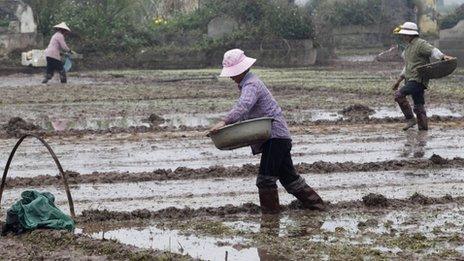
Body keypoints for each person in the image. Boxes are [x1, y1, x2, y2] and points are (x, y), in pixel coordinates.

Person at [210, 49, 324, 214]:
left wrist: (224, 121)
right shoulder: (249, 83)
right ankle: (317, 206)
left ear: (242, 70)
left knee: (265, 180)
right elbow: (248, 113)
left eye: (233, 73)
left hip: (275, 137)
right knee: (289, 178)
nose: (231, 77)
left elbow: (243, 106)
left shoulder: (251, 84)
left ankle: (270, 217)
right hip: (278, 138)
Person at [392, 22, 454, 131]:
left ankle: (410, 119)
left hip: (418, 79)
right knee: (418, 105)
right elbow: (407, 67)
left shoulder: (420, 44)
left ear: (409, 35)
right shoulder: (408, 48)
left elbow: (432, 50)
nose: (403, 36)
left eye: (404, 34)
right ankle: (423, 130)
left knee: (399, 95)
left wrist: (443, 57)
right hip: (410, 79)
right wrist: (398, 81)